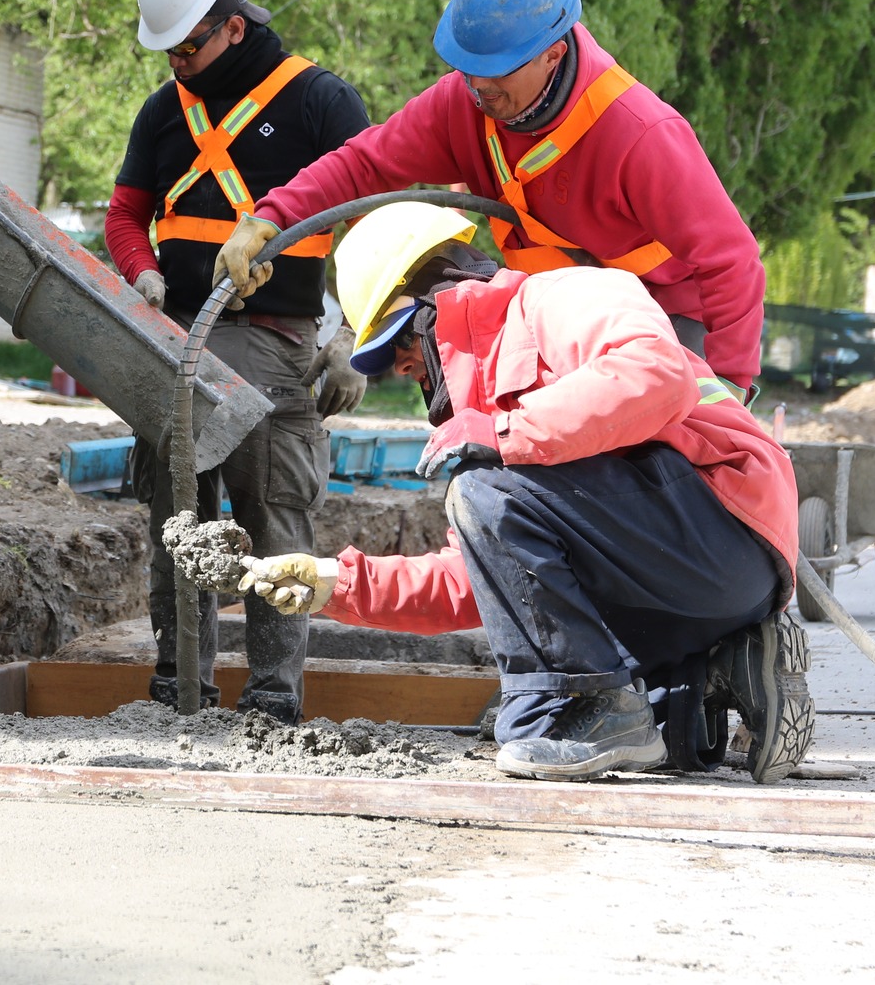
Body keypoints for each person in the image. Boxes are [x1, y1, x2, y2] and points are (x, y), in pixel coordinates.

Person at [238, 203, 810, 781]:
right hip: (687, 568)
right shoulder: (494, 413)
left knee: (486, 508)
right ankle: (722, 663)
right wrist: (338, 583)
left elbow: (657, 374)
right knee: (666, 725)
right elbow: (491, 579)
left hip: (726, 520)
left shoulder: (557, 300)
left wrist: (502, 434)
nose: (403, 368)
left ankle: (586, 705)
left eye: (397, 342)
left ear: (440, 296)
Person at [214, 0, 767, 397]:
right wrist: (273, 217)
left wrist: (728, 387)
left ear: (553, 53)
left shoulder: (638, 133)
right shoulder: (465, 103)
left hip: (663, 320)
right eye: (466, 67)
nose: (477, 87)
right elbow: (365, 163)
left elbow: (731, 262)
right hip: (559, 315)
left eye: (496, 70)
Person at [105, 0, 372, 722]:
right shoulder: (164, 111)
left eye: (187, 47)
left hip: (277, 342)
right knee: (176, 524)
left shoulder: (319, 100)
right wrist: (139, 267)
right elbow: (126, 212)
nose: (176, 64)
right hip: (177, 339)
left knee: (272, 520)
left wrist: (353, 331)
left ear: (232, 26)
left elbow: (373, 225)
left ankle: (272, 697)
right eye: (166, 51)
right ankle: (178, 686)